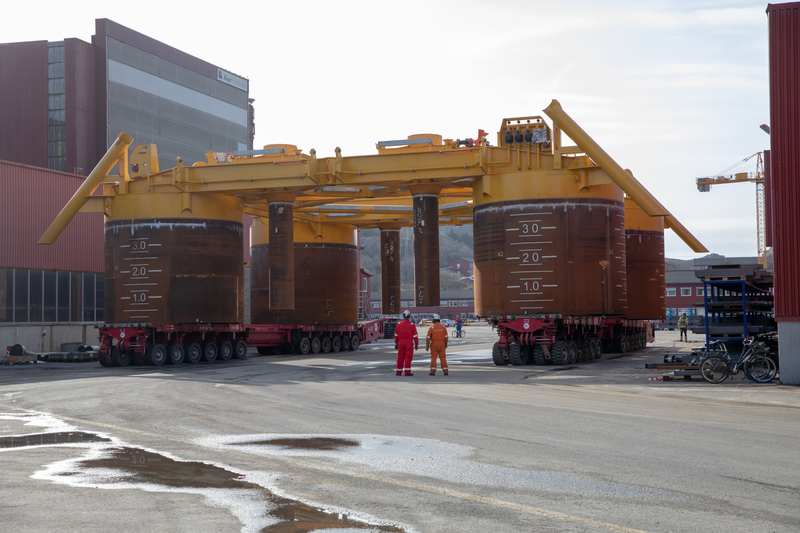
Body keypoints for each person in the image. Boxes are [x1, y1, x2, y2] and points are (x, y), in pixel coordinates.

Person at [394, 310, 418, 376]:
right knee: (408, 358)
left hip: (400, 342)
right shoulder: (412, 325)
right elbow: (415, 336)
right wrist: (416, 344)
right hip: (409, 343)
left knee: (400, 357)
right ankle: (407, 372)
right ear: (409, 316)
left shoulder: (398, 324)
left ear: (403, 316)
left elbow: (396, 335)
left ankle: (398, 372)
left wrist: (396, 343)